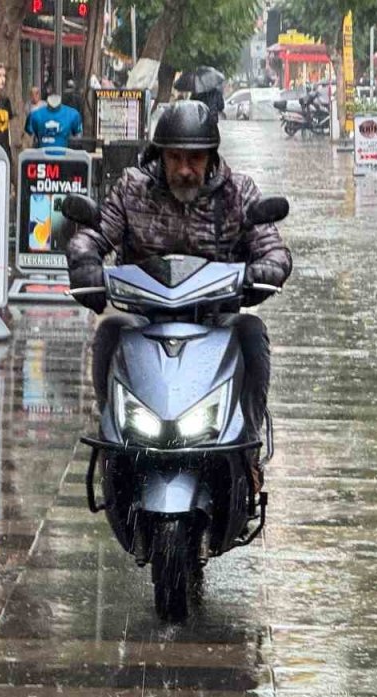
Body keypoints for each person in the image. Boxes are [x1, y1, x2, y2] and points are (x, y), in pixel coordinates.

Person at [67, 100, 291, 491]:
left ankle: (250, 449)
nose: (185, 169)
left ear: (211, 158)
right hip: (144, 319)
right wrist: (85, 261)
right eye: (175, 158)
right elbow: (95, 232)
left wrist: (265, 269)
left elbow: (272, 246)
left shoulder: (238, 193)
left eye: (195, 159)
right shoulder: (131, 189)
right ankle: (113, 439)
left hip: (215, 320)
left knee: (253, 332)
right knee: (107, 333)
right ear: (160, 156)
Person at [25, 84, 83, 149]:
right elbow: (28, 134)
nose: (34, 96)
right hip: (41, 155)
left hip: (65, 155)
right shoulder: (33, 114)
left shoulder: (73, 114)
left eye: (36, 93)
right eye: (32, 94)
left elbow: (78, 138)